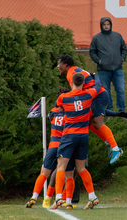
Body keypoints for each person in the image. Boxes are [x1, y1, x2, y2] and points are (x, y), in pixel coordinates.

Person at [57, 55, 125, 164]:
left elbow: (77, 92)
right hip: (95, 95)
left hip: (97, 95)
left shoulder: (71, 73)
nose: (57, 66)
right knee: (87, 123)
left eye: (59, 63)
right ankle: (108, 142)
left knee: (97, 123)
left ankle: (116, 148)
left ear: (66, 64)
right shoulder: (74, 70)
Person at [51, 72, 101, 210]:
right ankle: (92, 196)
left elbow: (58, 105)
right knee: (81, 168)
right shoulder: (89, 94)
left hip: (69, 135)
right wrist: (94, 75)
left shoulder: (64, 97)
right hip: (83, 136)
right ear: (83, 83)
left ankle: (58, 197)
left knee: (61, 166)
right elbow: (97, 86)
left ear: (71, 83)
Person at [26, 87, 76, 209]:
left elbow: (51, 114)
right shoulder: (70, 112)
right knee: (69, 175)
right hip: (66, 146)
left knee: (44, 173)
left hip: (53, 145)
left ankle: (34, 197)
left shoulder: (52, 112)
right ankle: (67, 202)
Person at [89, 17, 127, 112]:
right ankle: (109, 110)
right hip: (103, 70)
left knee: (120, 90)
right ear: (101, 26)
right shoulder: (96, 38)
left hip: (118, 69)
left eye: (108, 24)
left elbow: (124, 48)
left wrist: (122, 58)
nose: (106, 26)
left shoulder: (117, 36)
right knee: (106, 91)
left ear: (110, 25)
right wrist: (100, 61)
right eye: (104, 25)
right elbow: (92, 52)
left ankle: (122, 110)